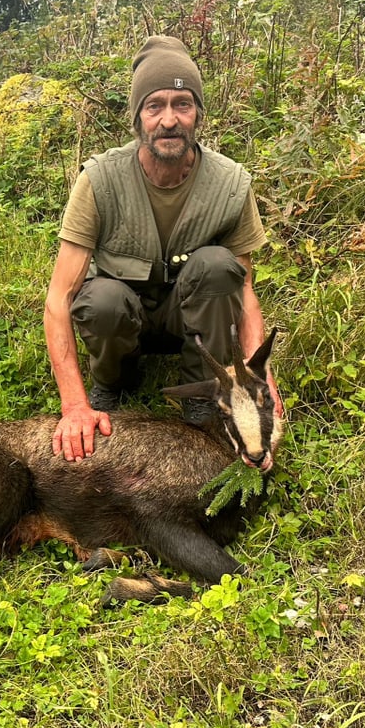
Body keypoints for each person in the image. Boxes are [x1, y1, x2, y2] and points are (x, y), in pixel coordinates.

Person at [44, 35, 282, 462]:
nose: (169, 120)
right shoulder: (99, 181)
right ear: (138, 119)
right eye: (155, 106)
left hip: (190, 325)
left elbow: (244, 290)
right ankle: (112, 381)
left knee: (217, 266)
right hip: (124, 320)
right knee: (100, 299)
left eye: (182, 104)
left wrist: (257, 378)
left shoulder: (231, 184)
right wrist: (74, 404)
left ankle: (200, 391)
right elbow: (59, 298)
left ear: (198, 114)